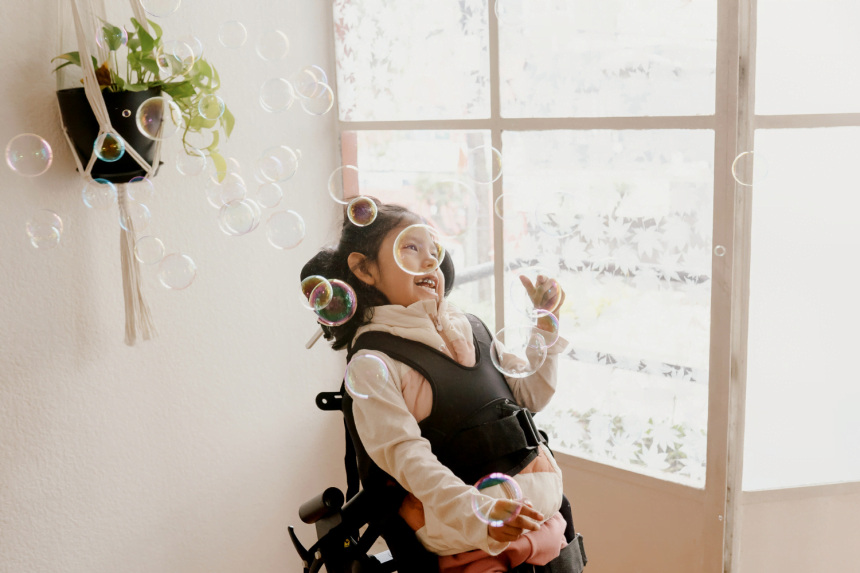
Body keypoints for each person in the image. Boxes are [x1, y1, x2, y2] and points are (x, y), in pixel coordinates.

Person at [302, 199, 570, 572]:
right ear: (364, 269)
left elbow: (531, 396)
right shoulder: (374, 363)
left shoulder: (471, 327)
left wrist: (545, 328)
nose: (430, 260)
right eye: (411, 247)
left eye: (434, 250)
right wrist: (481, 515)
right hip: (474, 543)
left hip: (548, 530)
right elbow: (410, 459)